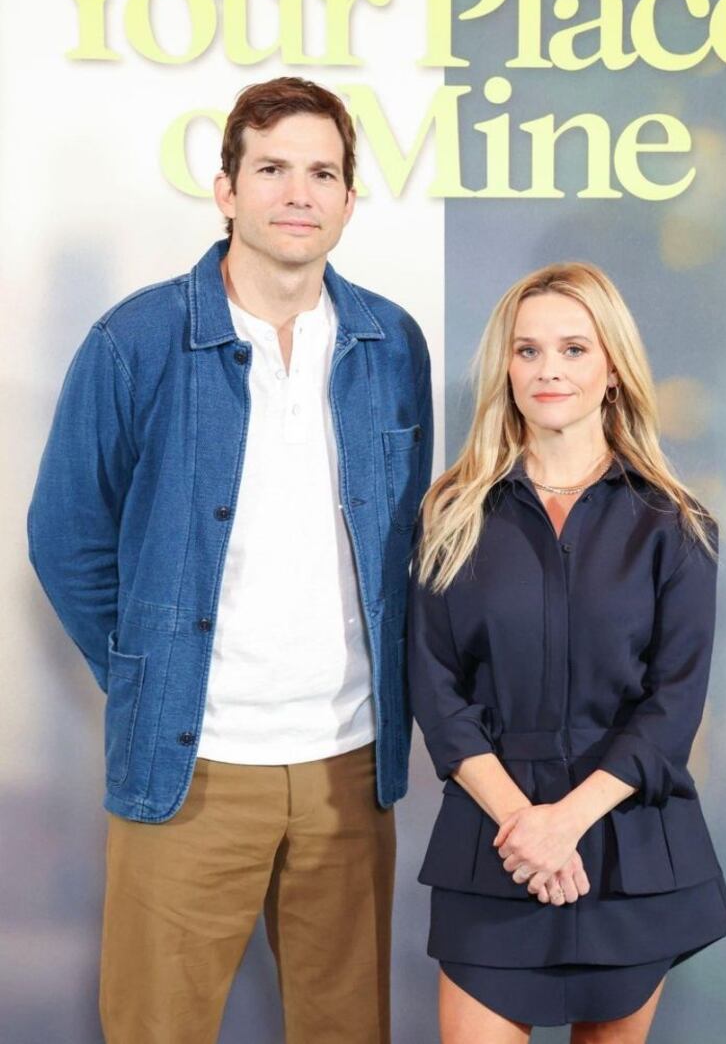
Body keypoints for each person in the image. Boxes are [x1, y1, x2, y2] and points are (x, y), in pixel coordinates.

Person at [28, 76, 432, 1044]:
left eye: (322, 173)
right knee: (155, 1028)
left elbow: (407, 537)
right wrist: (148, 672)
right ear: (227, 190)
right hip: (191, 765)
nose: (298, 193)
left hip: (347, 765)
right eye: (273, 169)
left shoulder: (391, 344)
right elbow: (65, 536)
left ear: (348, 199)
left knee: (347, 1030)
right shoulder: (134, 341)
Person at [408, 263, 726, 1043]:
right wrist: (528, 828)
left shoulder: (675, 524)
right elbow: (436, 693)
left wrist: (567, 824)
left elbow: (673, 707)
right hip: (496, 842)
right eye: (527, 351)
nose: (548, 369)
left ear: (612, 368)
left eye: (573, 349)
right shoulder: (450, 514)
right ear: (506, 368)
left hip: (629, 849)